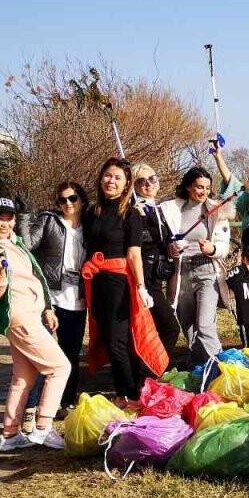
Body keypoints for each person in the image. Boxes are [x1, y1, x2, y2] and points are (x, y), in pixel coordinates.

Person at [0, 196, 70, 451]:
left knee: (23, 378)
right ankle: (43, 427)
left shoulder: (13, 243)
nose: (4, 223)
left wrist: (46, 307)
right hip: (20, 317)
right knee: (60, 368)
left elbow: (34, 277)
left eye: (9, 218)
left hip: (32, 313)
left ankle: (9, 434)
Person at [81, 158, 168, 407]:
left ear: (126, 183)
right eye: (108, 175)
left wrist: (141, 286)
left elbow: (134, 253)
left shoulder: (130, 214)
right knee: (107, 337)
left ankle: (129, 394)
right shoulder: (92, 211)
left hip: (119, 282)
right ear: (100, 178)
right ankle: (125, 391)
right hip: (95, 280)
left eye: (118, 177)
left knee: (119, 340)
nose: (111, 181)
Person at [23, 181, 89, 419]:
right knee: (43, 352)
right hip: (51, 296)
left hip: (78, 298)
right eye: (62, 200)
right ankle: (35, 404)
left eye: (73, 198)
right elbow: (28, 246)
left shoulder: (89, 225)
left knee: (71, 352)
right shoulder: (49, 220)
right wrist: (23, 217)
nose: (68, 204)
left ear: (82, 200)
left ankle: (66, 400)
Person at [159, 166, 235, 365]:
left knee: (205, 325)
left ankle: (220, 369)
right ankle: (200, 367)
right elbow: (164, 242)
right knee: (189, 326)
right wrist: (170, 249)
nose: (204, 192)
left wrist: (212, 249)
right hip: (181, 272)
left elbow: (224, 246)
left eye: (207, 188)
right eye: (199, 187)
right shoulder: (172, 210)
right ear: (188, 187)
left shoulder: (216, 210)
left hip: (207, 271)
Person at [130, 163, 179, 353]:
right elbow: (138, 243)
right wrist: (138, 217)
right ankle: (154, 369)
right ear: (134, 186)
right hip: (145, 278)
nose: (148, 184)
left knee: (158, 328)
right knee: (170, 328)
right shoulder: (135, 210)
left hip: (159, 276)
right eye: (141, 181)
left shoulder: (159, 209)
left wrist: (171, 247)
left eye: (152, 178)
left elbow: (164, 239)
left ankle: (152, 371)